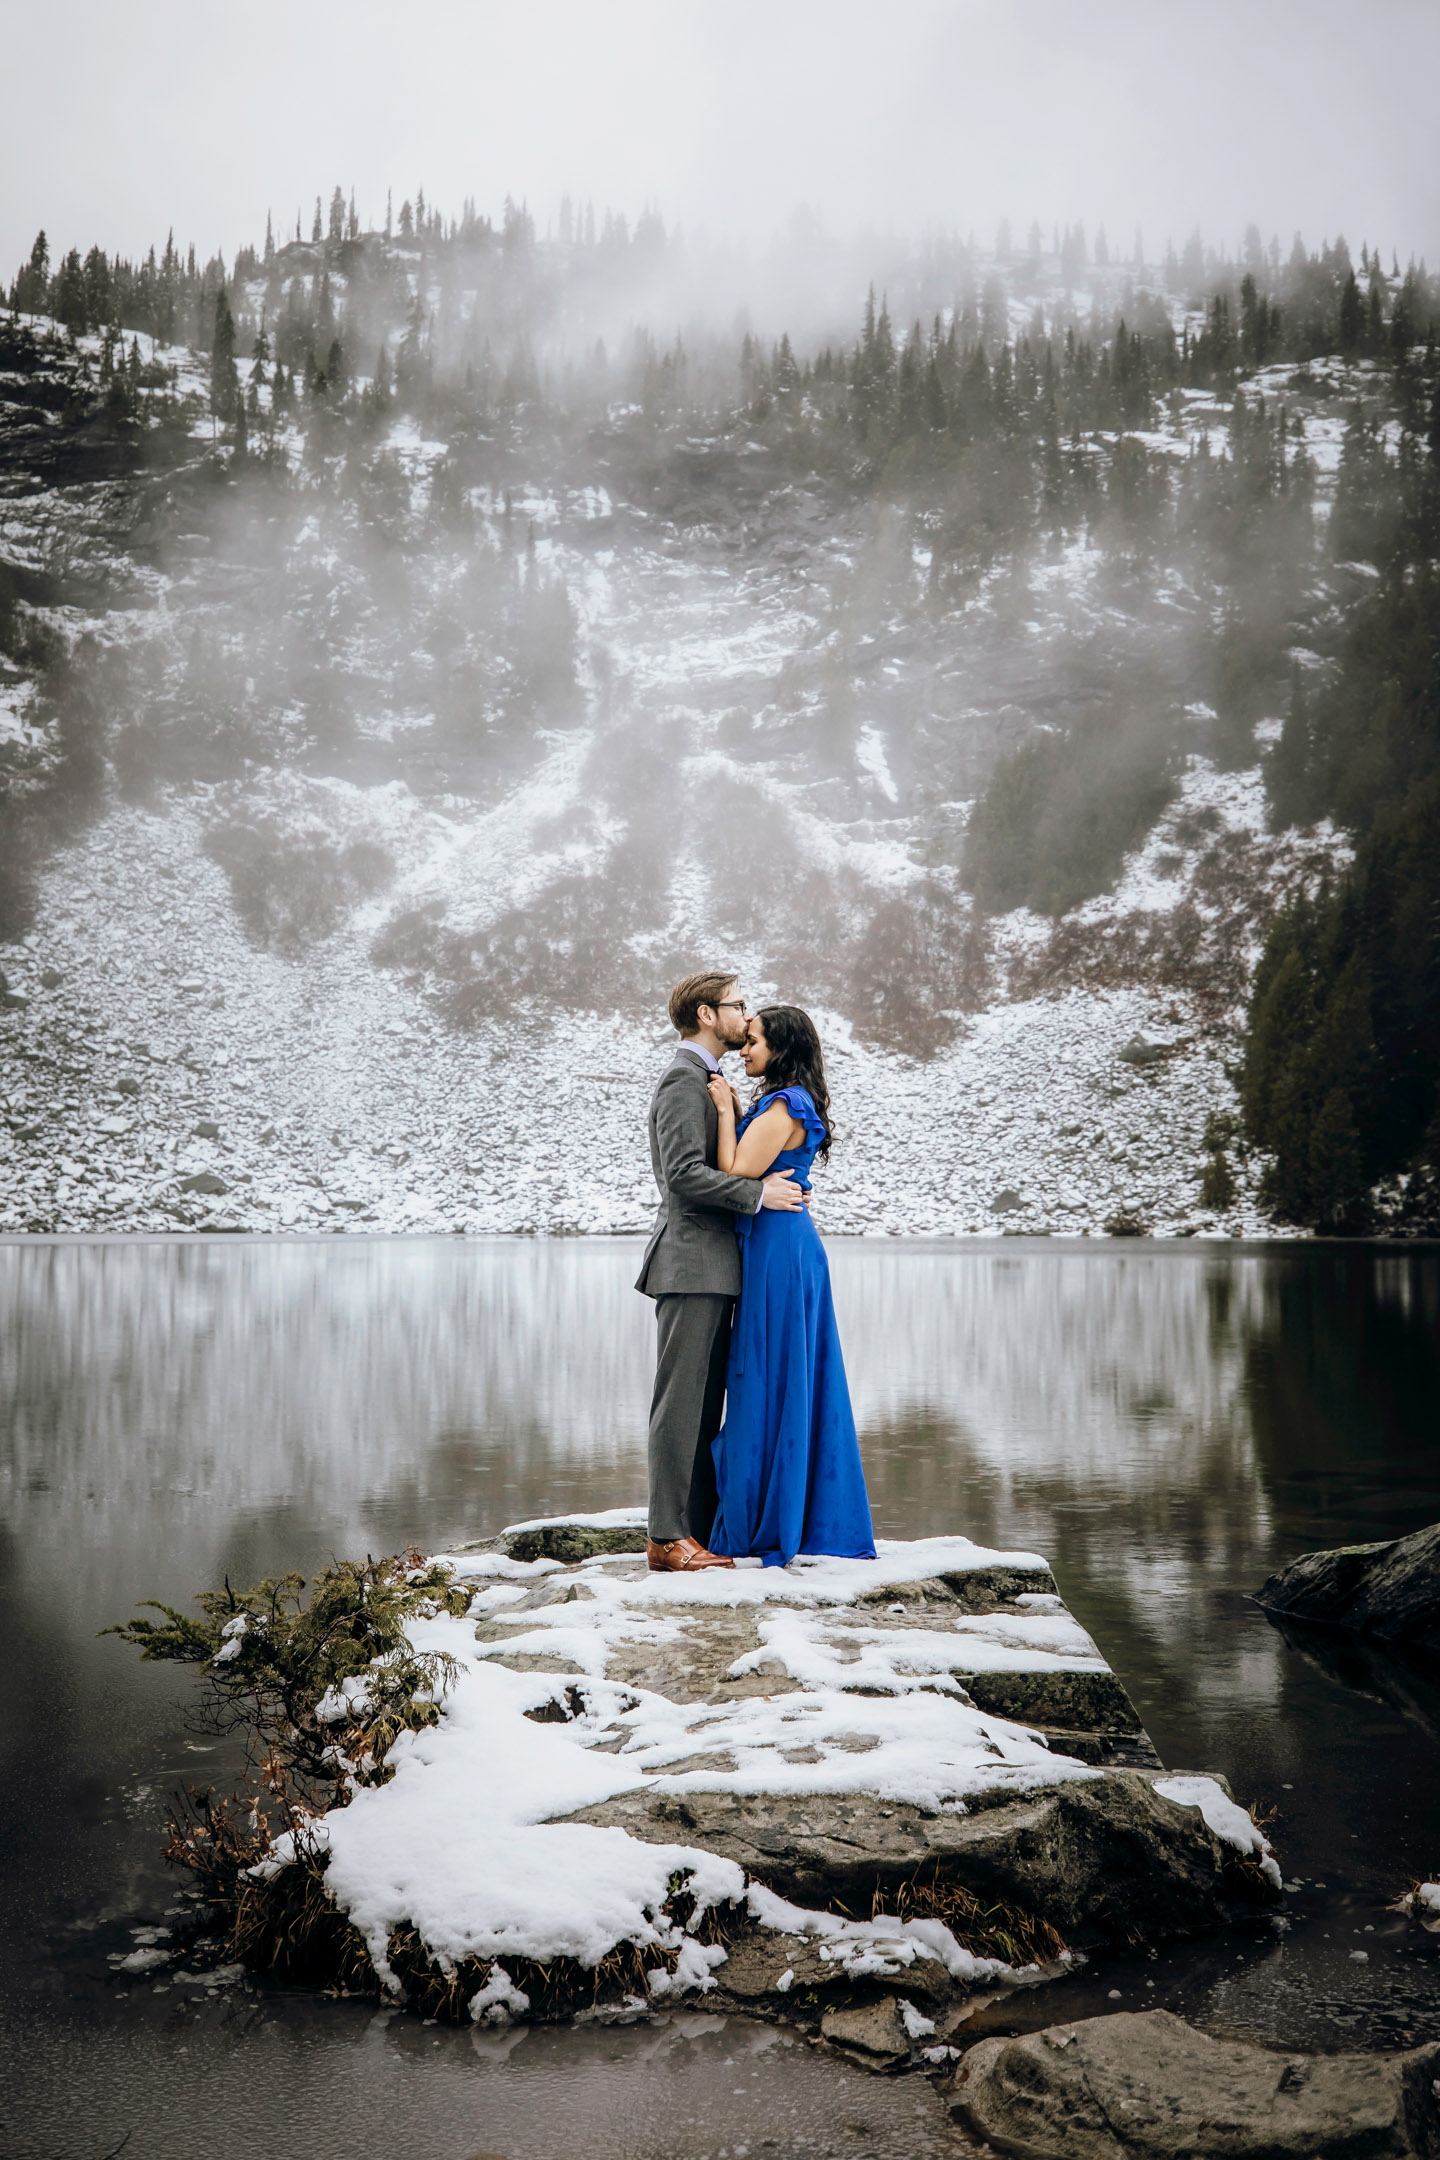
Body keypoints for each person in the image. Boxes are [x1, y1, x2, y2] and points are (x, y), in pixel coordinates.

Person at [636, 971, 807, 1574]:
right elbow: (683, 1175)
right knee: (680, 1403)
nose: (745, 1014)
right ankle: (665, 1537)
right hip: (689, 1261)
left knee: (706, 1405)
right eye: (737, 1006)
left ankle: (697, 1531)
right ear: (708, 1015)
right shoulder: (682, 1082)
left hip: (716, 1264)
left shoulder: (709, 1082)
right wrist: (757, 1194)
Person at [705, 1006, 875, 1568]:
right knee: (782, 1373)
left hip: (780, 1250)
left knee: (769, 1371)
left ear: (781, 1047)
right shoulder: (789, 1101)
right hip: (779, 1244)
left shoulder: (783, 1105)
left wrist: (727, 1110)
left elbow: (733, 1170)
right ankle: (784, 1508)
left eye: (752, 1042)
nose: (744, 1050)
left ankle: (773, 1520)